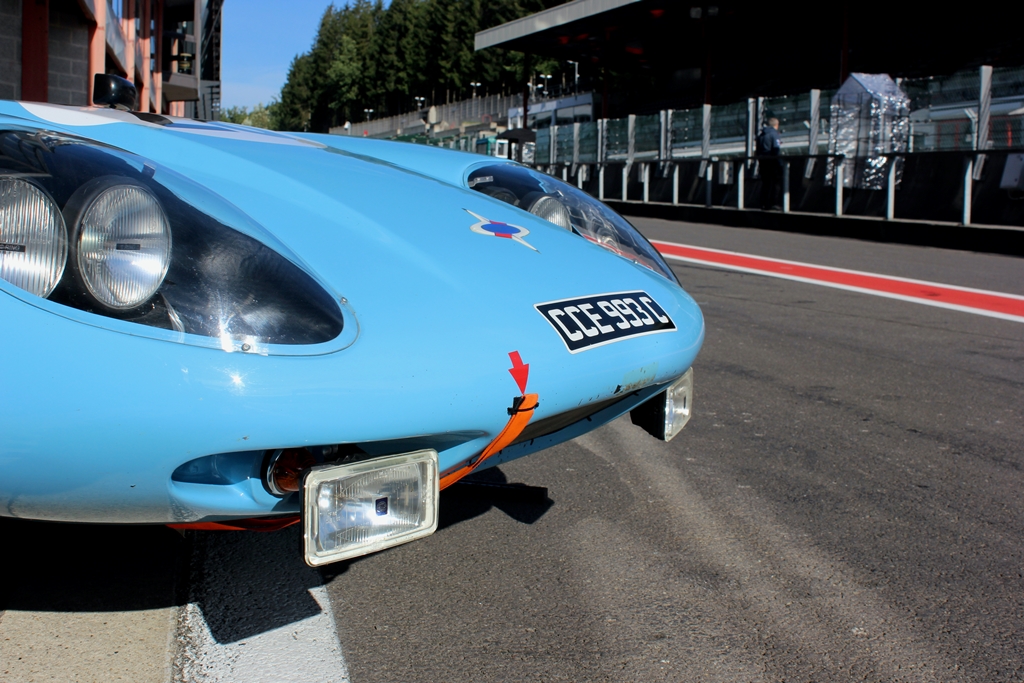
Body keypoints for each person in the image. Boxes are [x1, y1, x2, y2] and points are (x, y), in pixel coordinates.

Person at [756, 117, 783, 210]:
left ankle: (763, 203)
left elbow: (757, 151)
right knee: (776, 183)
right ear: (776, 125)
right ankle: (774, 203)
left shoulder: (761, 135)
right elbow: (776, 150)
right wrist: (780, 163)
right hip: (772, 163)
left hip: (763, 163)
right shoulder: (774, 134)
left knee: (766, 183)